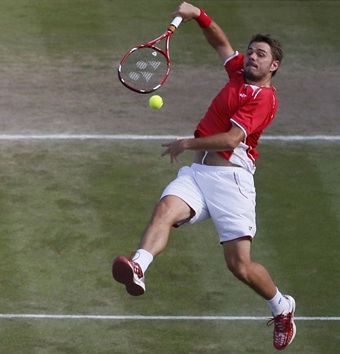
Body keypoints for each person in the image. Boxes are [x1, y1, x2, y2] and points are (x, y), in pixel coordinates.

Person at [111, 3, 296, 350]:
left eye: (260, 55)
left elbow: (231, 139)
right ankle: (138, 267)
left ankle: (282, 307)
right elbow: (220, 43)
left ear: (274, 66)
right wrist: (199, 16)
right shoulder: (238, 74)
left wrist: (187, 142)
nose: (251, 58)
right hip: (198, 174)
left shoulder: (264, 100)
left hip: (233, 183)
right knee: (165, 208)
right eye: (251, 52)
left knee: (239, 266)